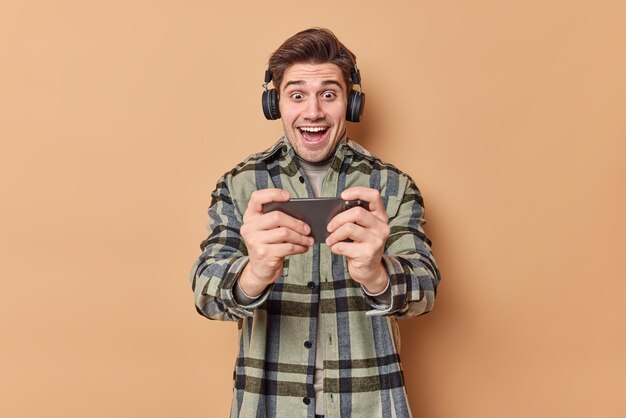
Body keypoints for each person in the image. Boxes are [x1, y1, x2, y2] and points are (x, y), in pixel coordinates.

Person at [189, 27, 440, 418]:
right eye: (297, 95)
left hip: (371, 405)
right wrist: (253, 273)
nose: (313, 112)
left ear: (351, 103)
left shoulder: (392, 186)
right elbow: (205, 294)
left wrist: (377, 273)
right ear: (275, 104)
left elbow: (425, 291)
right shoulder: (239, 185)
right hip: (268, 404)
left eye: (328, 93)